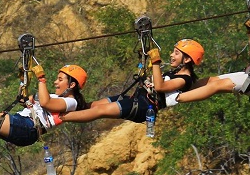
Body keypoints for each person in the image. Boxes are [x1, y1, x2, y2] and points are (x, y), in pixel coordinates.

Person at [61, 39, 203, 124]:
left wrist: (156, 63)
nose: (171, 55)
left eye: (176, 53)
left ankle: (60, 118)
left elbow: (160, 87)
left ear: (188, 59)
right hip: (137, 99)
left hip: (143, 107)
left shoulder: (184, 80)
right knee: (92, 105)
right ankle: (67, 106)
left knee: (99, 110)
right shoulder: (175, 72)